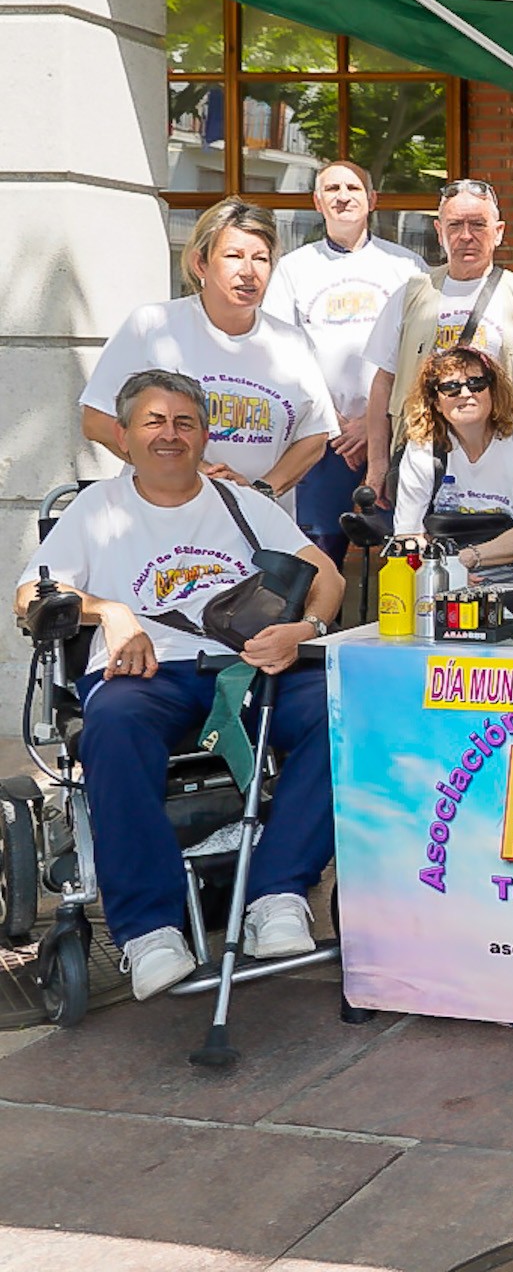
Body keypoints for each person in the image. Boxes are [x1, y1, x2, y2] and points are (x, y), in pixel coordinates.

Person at [21, 370, 343, 1002]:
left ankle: (277, 893)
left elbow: (326, 575)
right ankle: (150, 931)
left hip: (247, 664)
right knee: (113, 728)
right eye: (153, 422)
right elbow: (30, 594)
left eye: (184, 422)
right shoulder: (96, 509)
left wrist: (305, 628)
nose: (169, 435)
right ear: (123, 435)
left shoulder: (242, 503)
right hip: (145, 671)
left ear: (203, 435)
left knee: (340, 712)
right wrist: (111, 612)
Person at [81, 198, 337, 505]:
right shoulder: (152, 325)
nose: (248, 271)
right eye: (233, 256)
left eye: (261, 258)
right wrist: (194, 473)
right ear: (200, 263)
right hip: (161, 514)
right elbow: (97, 421)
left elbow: (315, 435)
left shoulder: (291, 342)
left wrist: (260, 493)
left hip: (255, 524)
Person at [261, 160, 427, 564]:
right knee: (319, 555)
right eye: (332, 189)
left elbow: (423, 353)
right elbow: (280, 351)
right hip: (323, 438)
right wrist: (335, 424)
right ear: (317, 202)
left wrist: (372, 425)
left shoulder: (407, 267)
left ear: (372, 200)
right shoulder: (293, 269)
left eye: (353, 188)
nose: (343, 196)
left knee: (404, 550)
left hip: (394, 432)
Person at [363, 179, 513, 503]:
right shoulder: (411, 295)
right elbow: (383, 383)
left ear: (499, 232)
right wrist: (378, 466)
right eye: (455, 225)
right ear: (439, 231)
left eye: (478, 225)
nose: (466, 236)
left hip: (508, 468)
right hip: (424, 466)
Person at [392, 347, 513, 578]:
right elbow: (408, 535)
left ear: (493, 391)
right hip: (443, 571)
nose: (465, 393)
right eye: (451, 387)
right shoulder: (423, 445)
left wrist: (463, 561)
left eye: (476, 383)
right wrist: (441, 572)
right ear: (436, 401)